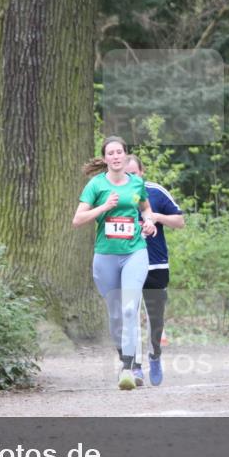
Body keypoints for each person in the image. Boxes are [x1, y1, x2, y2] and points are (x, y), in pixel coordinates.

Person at [72, 136, 158, 390]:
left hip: (135, 252)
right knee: (116, 314)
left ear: (125, 155)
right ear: (106, 158)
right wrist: (103, 208)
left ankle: (128, 368)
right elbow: (78, 219)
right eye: (111, 153)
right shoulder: (95, 185)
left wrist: (150, 221)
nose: (116, 156)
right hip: (106, 255)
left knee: (131, 309)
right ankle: (124, 357)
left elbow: (145, 209)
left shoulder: (136, 183)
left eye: (120, 152)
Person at [125, 155, 185, 386]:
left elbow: (180, 222)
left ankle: (155, 356)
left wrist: (155, 217)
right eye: (127, 174)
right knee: (129, 315)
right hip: (128, 263)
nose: (131, 177)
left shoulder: (156, 192)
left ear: (142, 172)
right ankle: (136, 366)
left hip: (155, 264)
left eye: (135, 173)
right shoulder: (115, 194)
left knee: (154, 318)